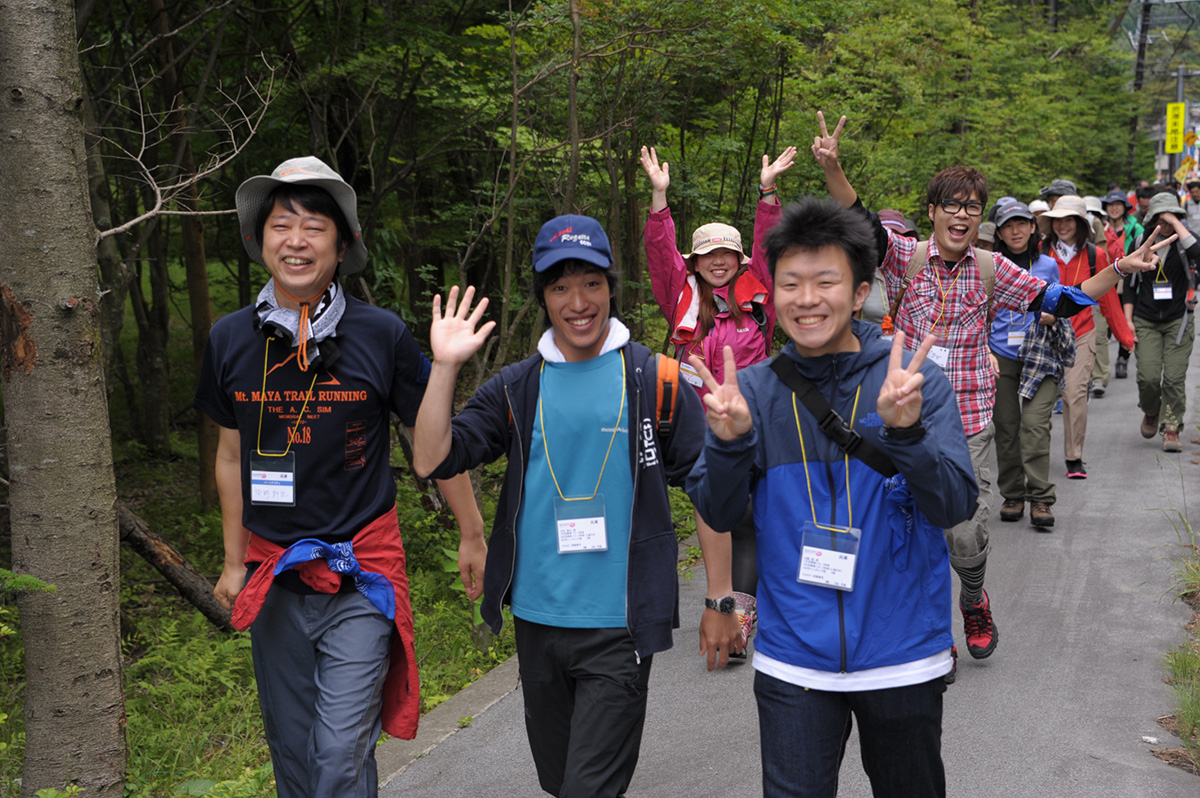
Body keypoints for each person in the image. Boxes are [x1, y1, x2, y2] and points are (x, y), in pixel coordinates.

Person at [810, 111, 1173, 669]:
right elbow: (858, 216)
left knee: (963, 533)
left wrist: (1121, 267)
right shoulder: (903, 256)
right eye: (951, 205)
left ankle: (974, 597)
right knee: (907, 529)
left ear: (981, 218)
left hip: (967, 419)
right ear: (932, 212)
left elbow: (1064, 300)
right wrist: (832, 166)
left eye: (972, 207)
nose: (962, 215)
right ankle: (932, 633)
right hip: (901, 416)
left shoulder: (991, 268)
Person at [411, 215, 740, 798]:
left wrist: (720, 599)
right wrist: (444, 367)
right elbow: (432, 458)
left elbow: (707, 490)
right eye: (560, 287)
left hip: (620, 625)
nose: (578, 302)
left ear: (612, 286)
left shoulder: (656, 379)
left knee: (588, 788)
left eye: (591, 283)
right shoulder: (517, 387)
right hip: (537, 622)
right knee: (560, 782)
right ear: (543, 297)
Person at [193, 156, 487, 798]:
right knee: (295, 757)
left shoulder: (380, 335)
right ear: (260, 240)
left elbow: (433, 441)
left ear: (342, 244)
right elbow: (230, 457)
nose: (295, 241)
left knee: (336, 752)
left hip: (361, 574)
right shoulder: (229, 340)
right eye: (281, 225)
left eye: (313, 226)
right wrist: (233, 560)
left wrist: (472, 532)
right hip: (274, 576)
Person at [685, 197, 979, 798]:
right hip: (793, 658)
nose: (807, 299)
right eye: (790, 283)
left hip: (902, 652)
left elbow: (954, 506)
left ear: (860, 290)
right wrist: (729, 444)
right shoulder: (755, 392)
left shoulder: (911, 381)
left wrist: (907, 435)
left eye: (826, 281)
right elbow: (717, 512)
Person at [640, 143, 796, 654]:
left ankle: (744, 612)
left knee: (750, 516)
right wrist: (659, 199)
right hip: (698, 427)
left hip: (754, 420)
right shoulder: (681, 299)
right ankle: (724, 605)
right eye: (709, 255)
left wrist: (768, 193)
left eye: (727, 254)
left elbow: (771, 247)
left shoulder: (760, 297)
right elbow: (660, 255)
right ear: (696, 262)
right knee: (716, 514)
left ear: (738, 259)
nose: (719, 262)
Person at [1038, 196, 1135, 478]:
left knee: (1075, 394)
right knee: (1040, 399)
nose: (1062, 226)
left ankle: (1074, 457)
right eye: (1057, 220)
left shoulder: (1096, 255)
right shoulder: (1041, 252)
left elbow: (1109, 301)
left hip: (1081, 333)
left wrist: (1125, 337)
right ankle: (1037, 451)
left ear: (1080, 224)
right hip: (1043, 336)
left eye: (1069, 220)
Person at [988, 200, 1065, 529]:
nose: (1015, 230)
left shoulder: (1048, 264)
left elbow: (1061, 305)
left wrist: (1052, 315)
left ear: (1033, 227)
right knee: (1006, 428)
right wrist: (984, 348)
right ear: (999, 233)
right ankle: (1013, 494)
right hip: (1000, 353)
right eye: (1007, 226)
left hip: (1040, 354)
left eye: (1021, 223)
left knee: (1034, 425)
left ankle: (1040, 498)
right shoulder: (989, 266)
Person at [1123, 191, 1200, 452]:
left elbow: (1198, 252)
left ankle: (1171, 428)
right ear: (1151, 218)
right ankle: (1151, 410)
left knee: (1174, 378)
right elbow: (1129, 285)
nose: (1165, 223)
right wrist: (1128, 320)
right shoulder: (1140, 243)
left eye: (1171, 217)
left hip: (1179, 319)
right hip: (1145, 318)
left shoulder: (1185, 242)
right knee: (1148, 376)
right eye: (1160, 218)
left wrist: (1176, 222)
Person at [1102, 188, 1144, 381]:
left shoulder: (1135, 229)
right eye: (1111, 205)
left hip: (1128, 280)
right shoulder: (1100, 227)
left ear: (1125, 207)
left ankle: (1122, 358)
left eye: (1118, 205)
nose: (1114, 208)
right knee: (1105, 322)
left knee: (1125, 319)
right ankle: (1101, 363)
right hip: (1105, 279)